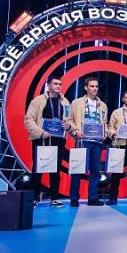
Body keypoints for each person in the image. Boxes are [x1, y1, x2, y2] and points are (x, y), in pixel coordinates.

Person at [23, 75, 71, 206]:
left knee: (56, 170)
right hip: (42, 139)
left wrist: (69, 126)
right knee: (38, 169)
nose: (58, 86)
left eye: (60, 84)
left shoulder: (65, 102)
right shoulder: (38, 101)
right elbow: (28, 120)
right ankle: (34, 198)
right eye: (55, 84)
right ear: (48, 86)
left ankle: (54, 198)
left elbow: (69, 120)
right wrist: (40, 133)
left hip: (58, 139)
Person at [67, 76, 109, 207]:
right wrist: (75, 131)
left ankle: (93, 198)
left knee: (95, 172)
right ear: (86, 88)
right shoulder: (76, 103)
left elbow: (105, 123)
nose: (95, 88)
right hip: (82, 141)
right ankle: (74, 199)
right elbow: (69, 120)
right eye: (92, 86)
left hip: (97, 142)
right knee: (77, 170)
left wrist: (105, 133)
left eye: (96, 86)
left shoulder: (103, 105)